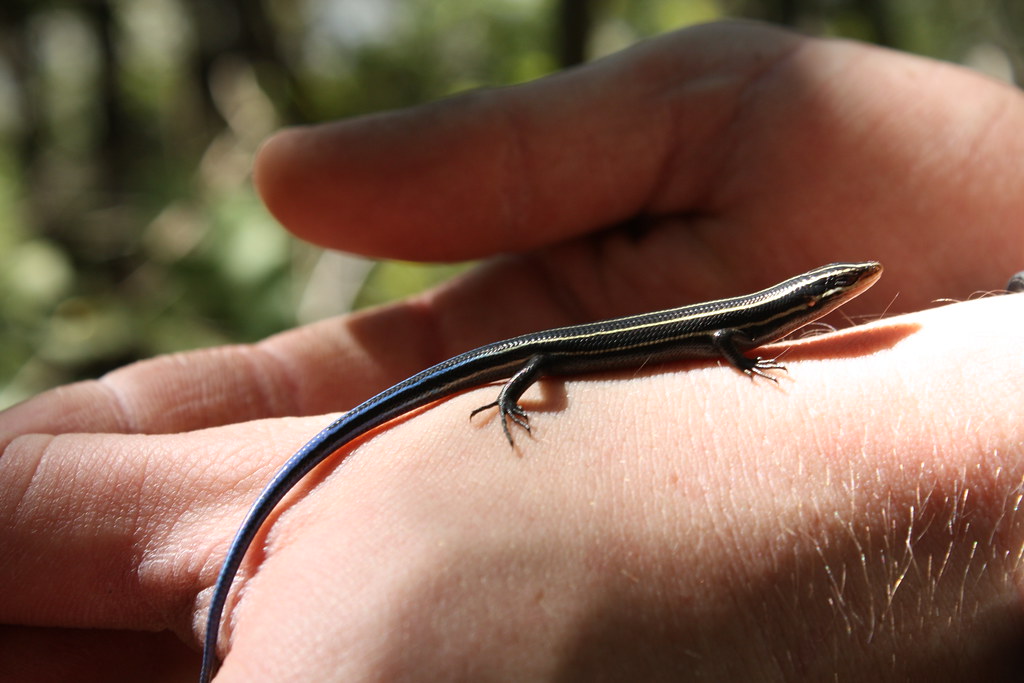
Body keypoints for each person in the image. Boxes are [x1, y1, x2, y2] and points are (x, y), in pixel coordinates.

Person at [2, 21, 1022, 681]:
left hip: (553, 341)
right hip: (544, 352)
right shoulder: (754, 319)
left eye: (837, 291)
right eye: (837, 290)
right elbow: (724, 337)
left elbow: (730, 329)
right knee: (506, 380)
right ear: (814, 300)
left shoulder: (764, 309)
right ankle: (498, 402)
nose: (846, 293)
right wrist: (517, 396)